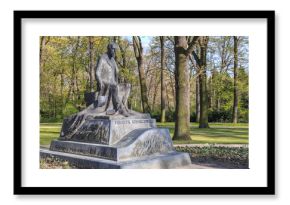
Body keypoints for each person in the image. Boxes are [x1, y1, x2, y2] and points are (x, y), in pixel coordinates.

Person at [95, 43, 128, 116]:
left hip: (113, 82)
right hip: (105, 82)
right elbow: (97, 72)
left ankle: (124, 107)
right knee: (114, 86)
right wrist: (100, 81)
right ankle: (119, 108)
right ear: (109, 49)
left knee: (127, 86)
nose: (115, 52)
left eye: (115, 50)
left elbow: (116, 71)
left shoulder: (113, 60)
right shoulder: (103, 58)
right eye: (113, 50)